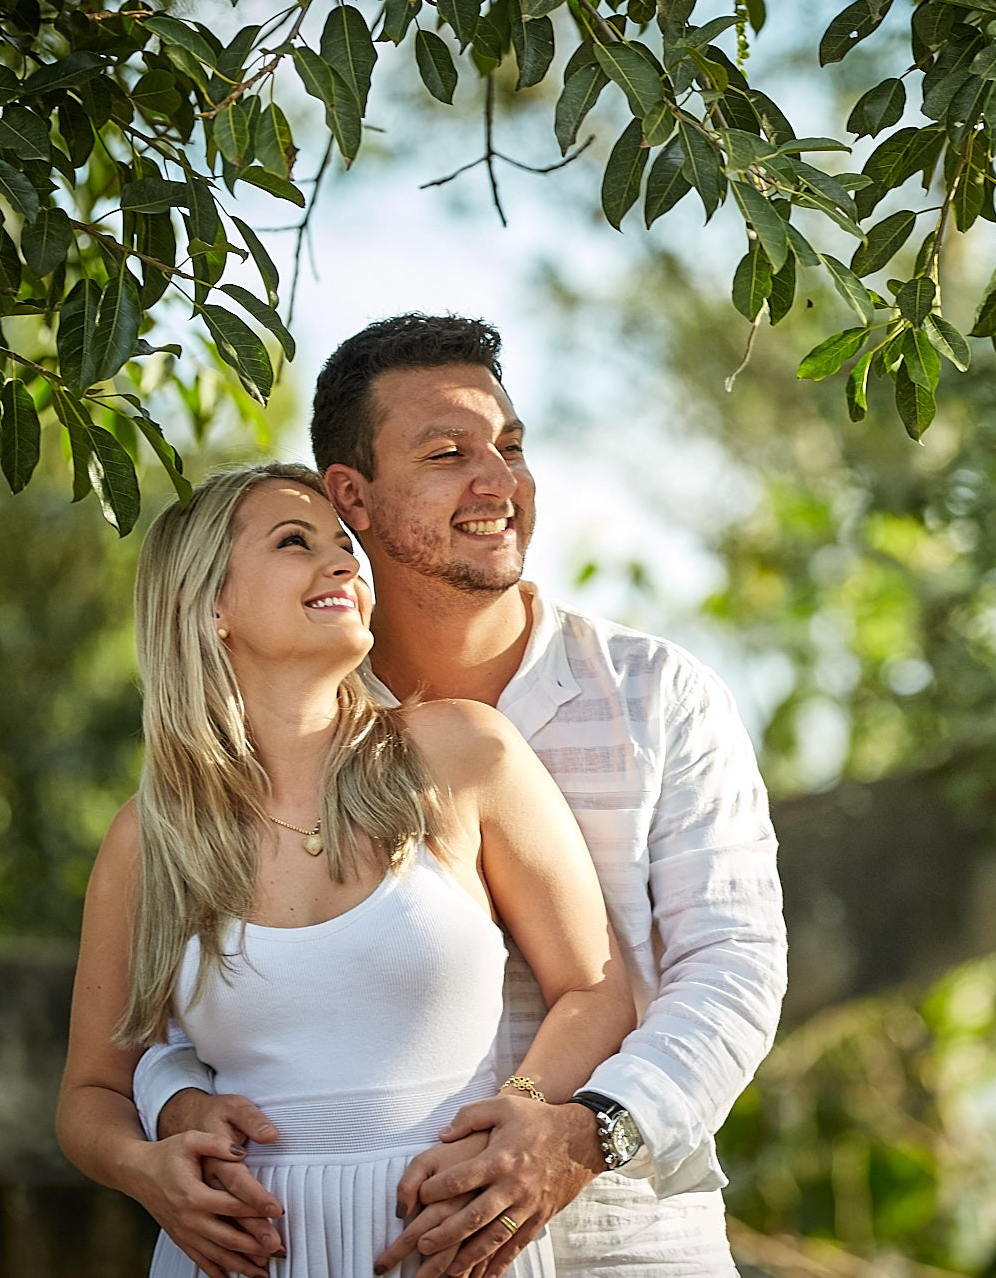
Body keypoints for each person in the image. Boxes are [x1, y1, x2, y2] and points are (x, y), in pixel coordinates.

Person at [132, 315, 788, 1277]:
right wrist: (173, 1108)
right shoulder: (278, 724)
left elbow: (733, 969)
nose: (499, 481)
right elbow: (175, 1015)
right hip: (350, 1242)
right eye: (448, 452)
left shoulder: (659, 694)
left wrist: (581, 1134)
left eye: (511, 447)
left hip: (629, 1241)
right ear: (350, 495)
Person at [56, 462, 636, 1278]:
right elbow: (90, 1093)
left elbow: (597, 987)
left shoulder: (466, 753)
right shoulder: (150, 837)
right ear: (211, 604)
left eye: (345, 544)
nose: (344, 563)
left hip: (447, 1241)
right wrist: (145, 1171)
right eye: (296, 541)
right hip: (245, 1255)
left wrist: (525, 1109)